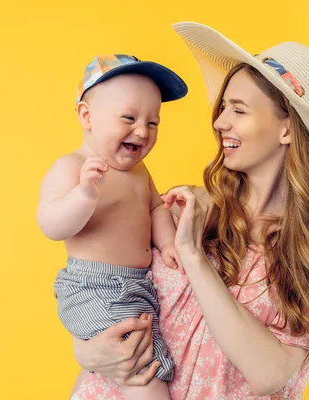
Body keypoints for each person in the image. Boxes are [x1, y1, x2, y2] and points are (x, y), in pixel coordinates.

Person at [70, 22, 309, 399]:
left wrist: (193, 256)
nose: (220, 122)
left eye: (238, 110)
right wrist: (88, 350)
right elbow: (102, 286)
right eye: (223, 107)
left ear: (287, 129)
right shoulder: (184, 207)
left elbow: (270, 372)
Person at [37, 54, 188, 399]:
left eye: (153, 123)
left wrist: (166, 245)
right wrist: (84, 195)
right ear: (87, 116)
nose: (142, 131)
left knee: (127, 364)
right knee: (142, 368)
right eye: (129, 118)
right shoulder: (72, 167)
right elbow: (51, 224)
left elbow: (154, 209)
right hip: (94, 286)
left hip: (137, 286)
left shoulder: (140, 173)